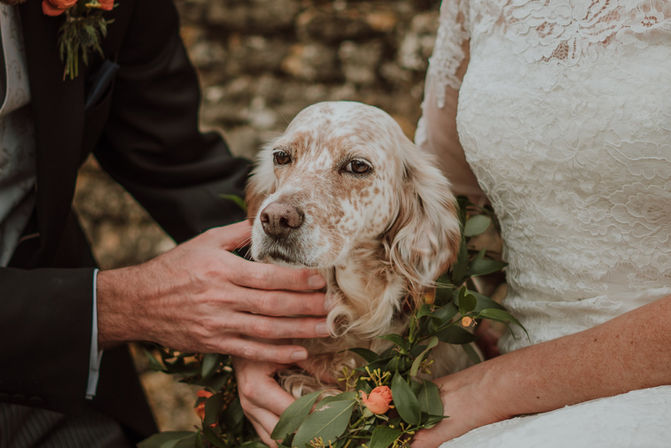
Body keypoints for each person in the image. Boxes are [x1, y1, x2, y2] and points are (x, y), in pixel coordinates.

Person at [236, 1, 671, 447]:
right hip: (492, 348)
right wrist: (261, 342)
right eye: (285, 158)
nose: (279, 210)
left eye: (355, 167)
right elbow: (451, 192)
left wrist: (488, 388)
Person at [0, 0, 328, 446]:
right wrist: (115, 307)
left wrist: (259, 315)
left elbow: (177, 160)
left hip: (52, 384)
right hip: (60, 325)